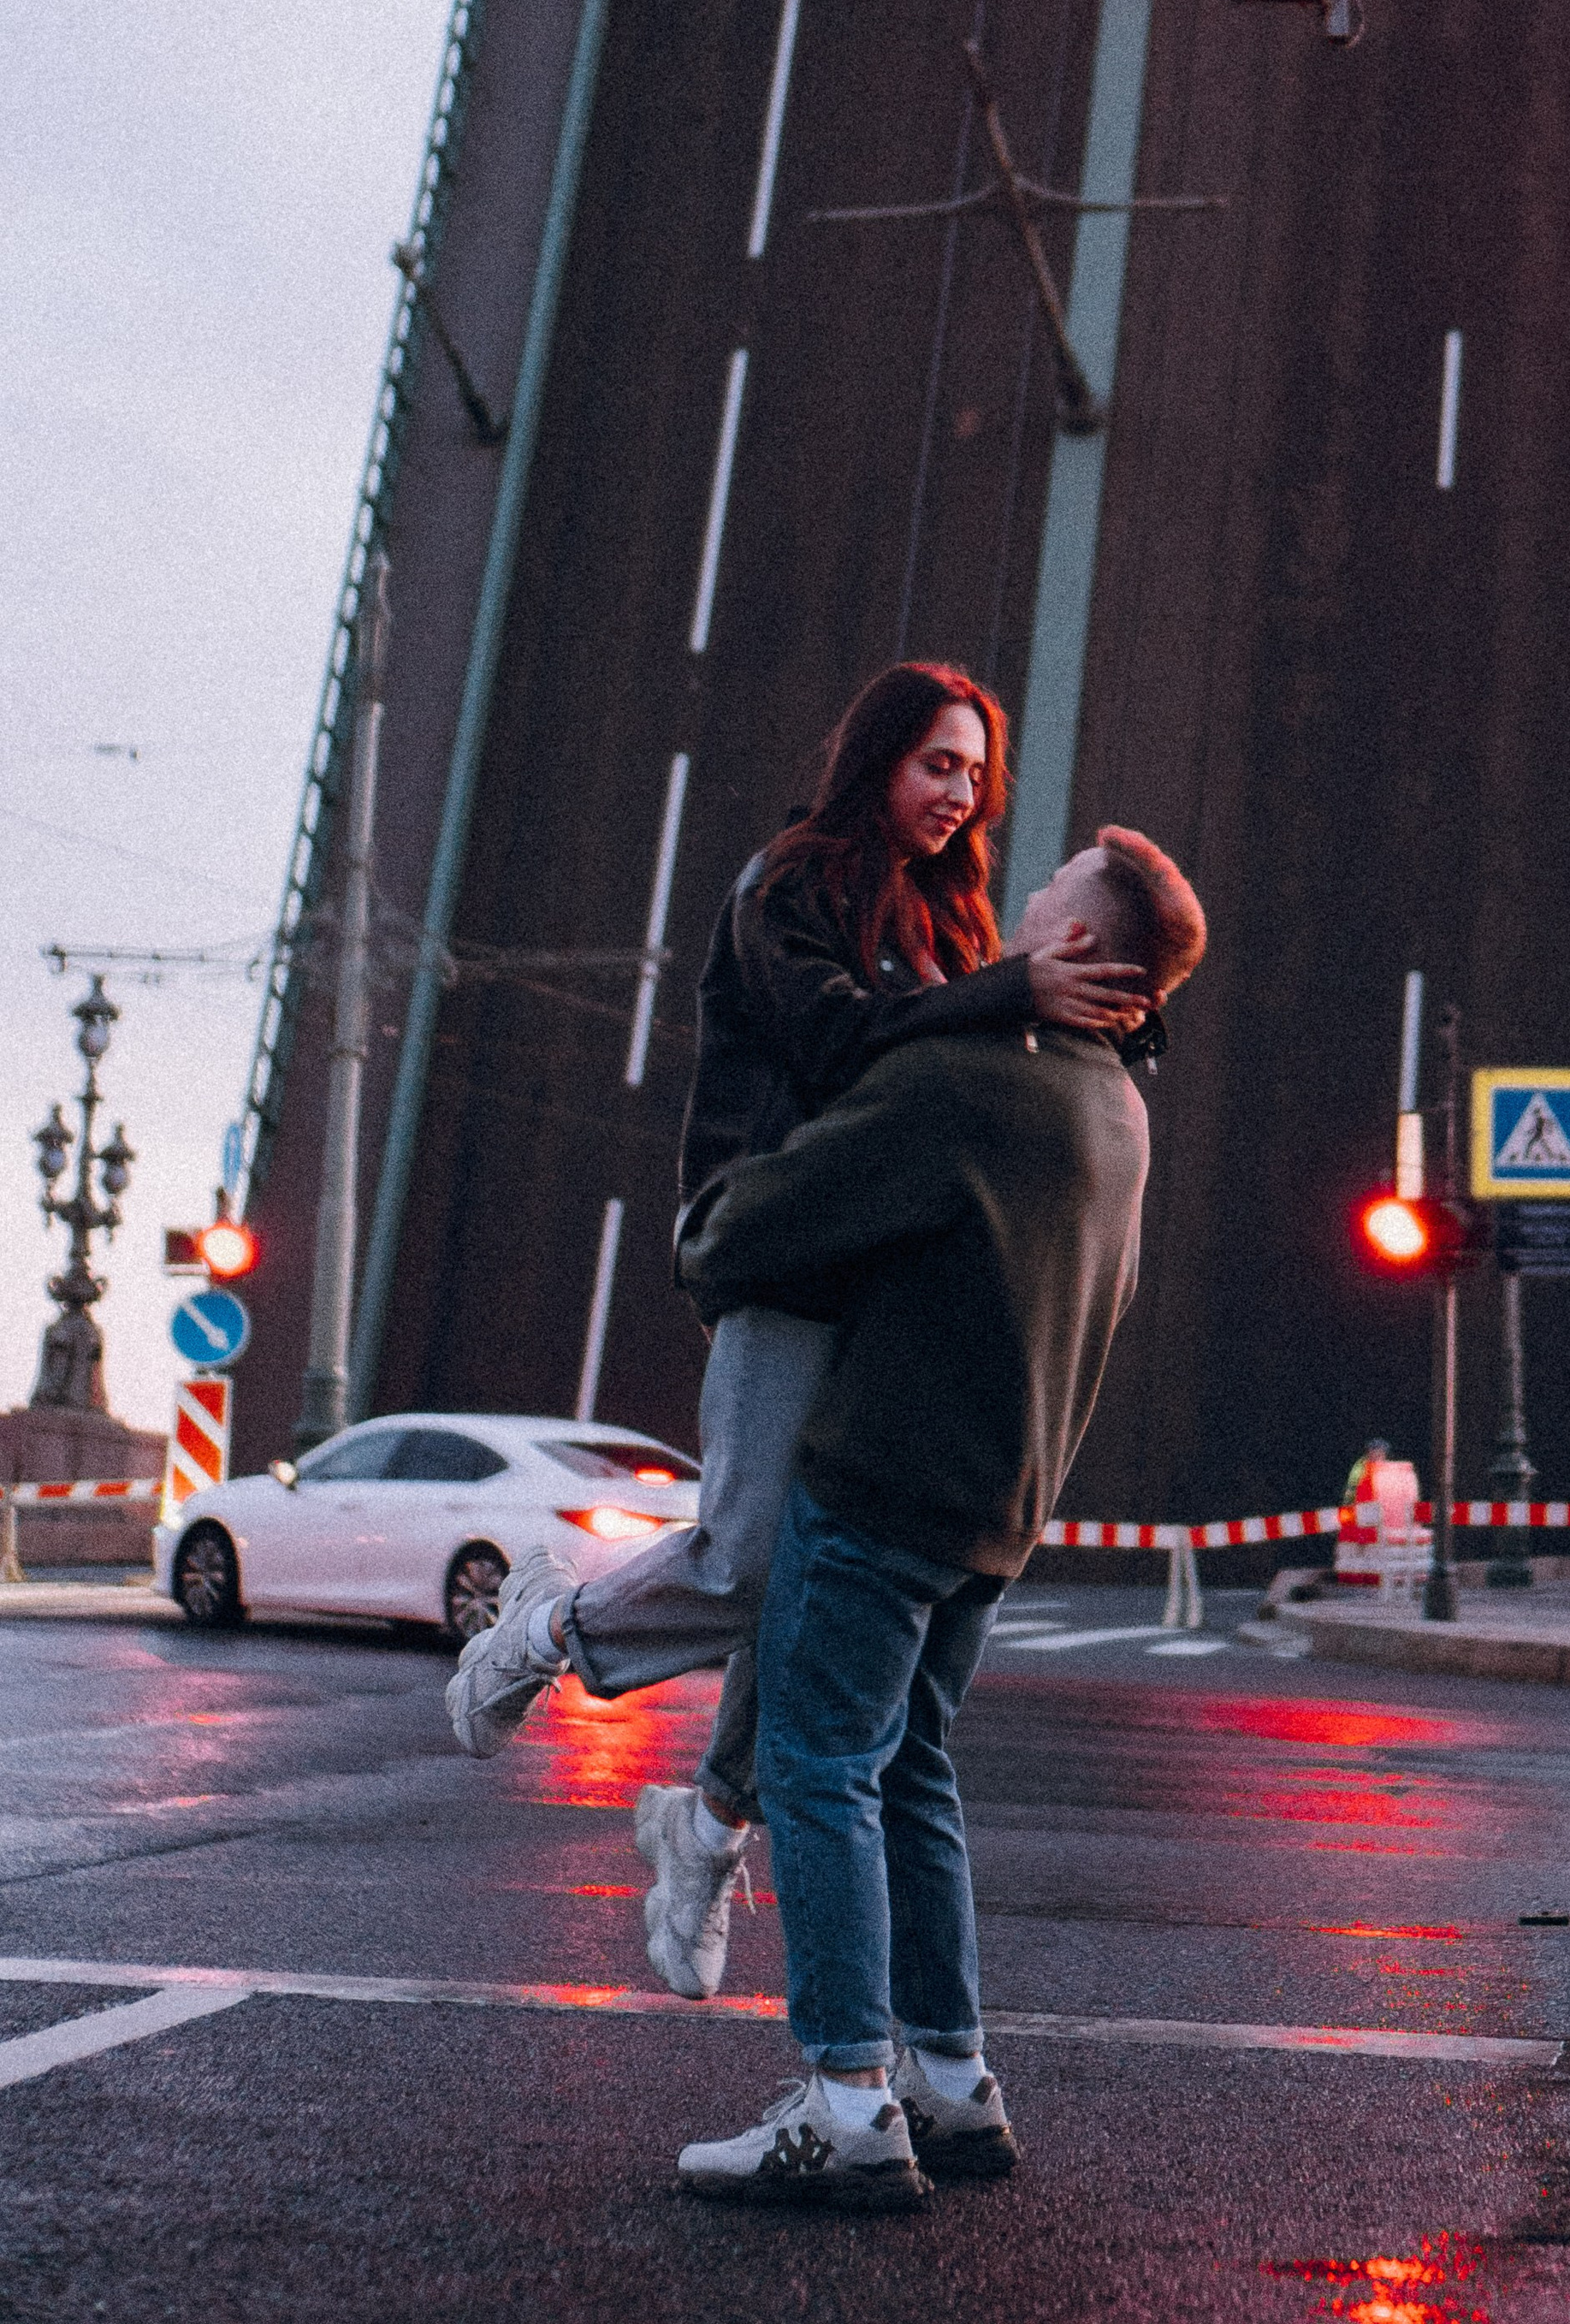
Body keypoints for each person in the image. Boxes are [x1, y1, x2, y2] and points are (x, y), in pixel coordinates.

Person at [444, 663, 1146, 2005]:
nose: (959, 793)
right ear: (878, 758)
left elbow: (984, 1081)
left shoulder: (955, 921)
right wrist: (1009, 994)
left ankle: (707, 1828)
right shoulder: (791, 883)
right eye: (937, 763)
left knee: (812, 1588)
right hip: (786, 1241)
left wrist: (1108, 1005)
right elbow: (833, 1045)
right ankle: (543, 1630)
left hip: (888, 1268)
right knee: (752, 1554)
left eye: (975, 773)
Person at [671, 825, 1207, 2211]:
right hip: (998, 1509)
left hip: (881, 1484)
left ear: (1077, 940)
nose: (1025, 891)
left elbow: (768, 1220)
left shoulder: (969, 1079)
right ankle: (953, 2080)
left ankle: (847, 2101)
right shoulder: (1119, 1110)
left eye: (1053, 886)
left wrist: (704, 1228)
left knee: (819, 1768)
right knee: (912, 1770)